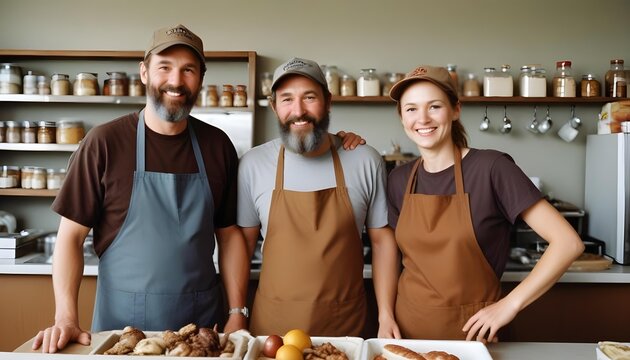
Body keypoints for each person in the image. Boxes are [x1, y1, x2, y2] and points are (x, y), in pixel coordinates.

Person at [32, 24, 251, 353]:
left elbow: (230, 234)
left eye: (188, 70)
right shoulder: (104, 143)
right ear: (145, 72)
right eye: (165, 67)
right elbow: (69, 238)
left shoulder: (217, 145)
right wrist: (65, 317)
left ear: (200, 79)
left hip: (203, 331)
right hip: (123, 333)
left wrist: (237, 313)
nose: (176, 81)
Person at [386, 65, 584, 342]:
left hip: (474, 334)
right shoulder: (399, 179)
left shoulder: (492, 167)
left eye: (434, 106)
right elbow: (393, 256)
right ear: (402, 118)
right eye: (411, 109)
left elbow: (568, 243)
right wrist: (385, 316)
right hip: (408, 332)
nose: (422, 118)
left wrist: (509, 305)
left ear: (455, 110)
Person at [237, 57, 401, 337]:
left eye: (309, 97)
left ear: (328, 101)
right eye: (287, 99)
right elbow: (240, 244)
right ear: (275, 107)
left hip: (344, 325)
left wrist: (386, 315)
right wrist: (236, 312)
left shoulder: (363, 159)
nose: (298, 110)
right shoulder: (253, 163)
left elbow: (382, 240)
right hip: (272, 330)